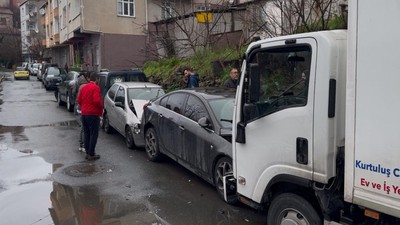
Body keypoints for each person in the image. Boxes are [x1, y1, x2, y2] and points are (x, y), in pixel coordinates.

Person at [77, 71, 103, 161]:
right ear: (96, 79)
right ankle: (91, 154)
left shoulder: (84, 87)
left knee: (87, 133)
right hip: (93, 114)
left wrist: (84, 106)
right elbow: (97, 101)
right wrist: (101, 108)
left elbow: (79, 100)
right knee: (93, 134)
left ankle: (88, 152)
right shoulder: (95, 88)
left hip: (84, 113)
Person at [76, 71, 89, 153]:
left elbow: (76, 95)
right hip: (83, 109)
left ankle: (82, 144)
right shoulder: (85, 86)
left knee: (83, 127)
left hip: (80, 108)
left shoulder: (79, 84)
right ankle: (83, 144)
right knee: (84, 128)